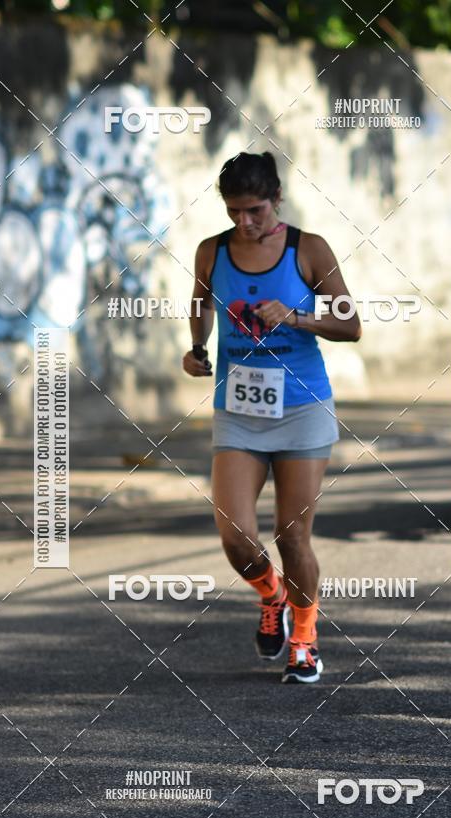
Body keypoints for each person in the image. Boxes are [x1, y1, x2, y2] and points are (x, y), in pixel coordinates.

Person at [183, 151, 361, 683]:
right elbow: (201, 303)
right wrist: (197, 347)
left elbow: (350, 326)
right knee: (235, 534)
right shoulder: (212, 251)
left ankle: (304, 639)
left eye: (255, 210)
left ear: (276, 199)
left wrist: (297, 317)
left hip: (303, 407)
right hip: (239, 410)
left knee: (291, 535)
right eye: (234, 211)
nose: (245, 222)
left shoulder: (309, 249)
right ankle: (272, 594)